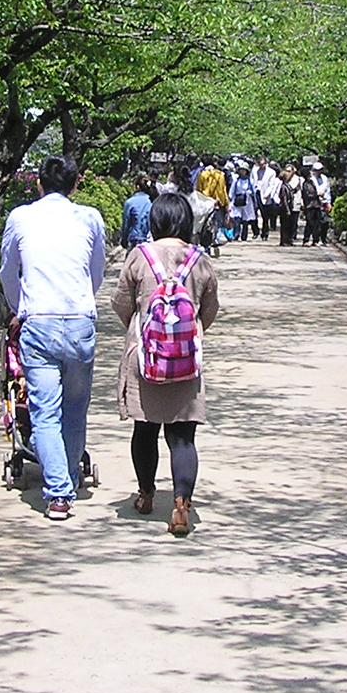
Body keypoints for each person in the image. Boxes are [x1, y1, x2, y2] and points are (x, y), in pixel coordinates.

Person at [0, 155, 107, 521]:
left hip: (38, 323)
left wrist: (20, 307)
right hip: (79, 321)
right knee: (74, 409)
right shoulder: (89, 217)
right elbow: (96, 270)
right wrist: (80, 298)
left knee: (45, 412)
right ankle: (70, 479)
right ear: (76, 184)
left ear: (38, 184)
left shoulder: (20, 217)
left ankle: (58, 495)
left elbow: (7, 271)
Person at [111, 191, 218, 535]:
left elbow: (121, 302)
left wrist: (138, 326)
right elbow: (211, 309)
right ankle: (182, 505)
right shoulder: (199, 260)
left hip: (146, 357)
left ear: (154, 221)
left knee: (144, 429)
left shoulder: (139, 256)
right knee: (183, 437)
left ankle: (145, 495)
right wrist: (191, 331)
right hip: (185, 359)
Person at [121, 176, 154, 249]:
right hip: (150, 240)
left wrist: (124, 239)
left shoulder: (130, 202)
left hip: (134, 238)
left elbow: (126, 222)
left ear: (137, 187)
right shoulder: (152, 201)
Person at [229, 162, 259, 241]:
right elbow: (232, 190)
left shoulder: (250, 181)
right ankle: (236, 234)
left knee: (245, 219)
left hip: (247, 201)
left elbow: (253, 191)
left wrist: (248, 193)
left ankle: (244, 236)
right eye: (241, 170)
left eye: (244, 170)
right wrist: (230, 199)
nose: (242, 171)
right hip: (237, 200)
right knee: (237, 218)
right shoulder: (236, 180)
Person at [254, 158, 281, 241]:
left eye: (263, 164)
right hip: (256, 193)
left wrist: (267, 194)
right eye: (260, 164)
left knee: (265, 215)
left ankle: (265, 233)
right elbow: (252, 180)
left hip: (265, 195)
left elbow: (271, 185)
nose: (262, 166)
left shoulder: (271, 172)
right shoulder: (254, 170)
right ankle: (256, 231)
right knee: (253, 214)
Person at [300, 165, 326, 245]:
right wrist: (317, 194)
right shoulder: (305, 184)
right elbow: (307, 195)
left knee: (317, 224)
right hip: (309, 206)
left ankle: (316, 240)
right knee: (310, 223)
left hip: (316, 205)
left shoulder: (311, 182)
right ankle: (306, 239)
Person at [279, 165, 303, 246]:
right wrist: (287, 210)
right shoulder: (283, 186)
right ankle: (284, 240)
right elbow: (284, 199)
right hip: (286, 208)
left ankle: (289, 239)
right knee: (285, 225)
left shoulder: (293, 183)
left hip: (293, 205)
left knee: (291, 224)